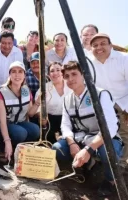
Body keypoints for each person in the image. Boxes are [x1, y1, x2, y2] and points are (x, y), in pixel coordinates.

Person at [52, 61, 123, 196]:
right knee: (58, 149)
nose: (70, 79)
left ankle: (110, 180)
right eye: (67, 76)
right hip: (81, 138)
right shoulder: (67, 100)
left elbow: (110, 127)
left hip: (102, 139)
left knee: (109, 151)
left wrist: (88, 149)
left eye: (74, 74)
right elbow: (65, 125)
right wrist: (71, 143)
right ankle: (87, 164)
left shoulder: (100, 94)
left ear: (83, 75)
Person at [90, 33, 128, 164]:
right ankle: (101, 159)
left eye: (103, 43)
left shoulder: (125, 59)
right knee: (103, 130)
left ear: (110, 45)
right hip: (104, 102)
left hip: (125, 101)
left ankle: (121, 163)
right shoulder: (89, 62)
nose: (99, 47)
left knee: (126, 132)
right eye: (95, 45)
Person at [0, 61, 40, 162]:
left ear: (24, 74)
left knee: (35, 130)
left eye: (20, 72)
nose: (17, 75)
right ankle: (2, 145)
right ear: (9, 74)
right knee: (20, 133)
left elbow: (30, 113)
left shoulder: (26, 90)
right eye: (14, 72)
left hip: (17, 124)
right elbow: (2, 121)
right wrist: (7, 141)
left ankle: (17, 149)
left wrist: (37, 102)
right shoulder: (1, 93)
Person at [33, 62, 71, 143]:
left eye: (58, 70)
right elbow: (38, 107)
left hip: (68, 118)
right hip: (50, 120)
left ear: (63, 73)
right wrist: (41, 116)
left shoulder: (70, 85)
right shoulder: (44, 88)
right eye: (52, 71)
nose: (55, 73)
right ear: (49, 75)